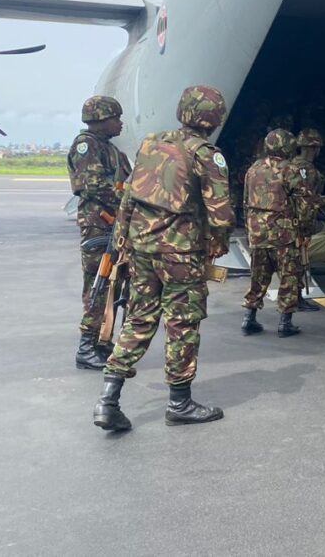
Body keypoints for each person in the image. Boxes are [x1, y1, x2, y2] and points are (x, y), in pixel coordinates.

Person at [93, 85, 235, 431]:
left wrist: (125, 238)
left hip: (142, 249)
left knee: (139, 320)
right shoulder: (207, 154)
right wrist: (217, 244)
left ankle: (107, 400)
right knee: (182, 324)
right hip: (181, 254)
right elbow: (220, 214)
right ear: (213, 117)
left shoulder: (152, 144)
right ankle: (180, 403)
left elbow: (129, 196)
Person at [67, 95, 131, 370]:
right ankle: (86, 347)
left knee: (113, 286)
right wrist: (126, 203)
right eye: (115, 117)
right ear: (101, 120)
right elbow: (93, 186)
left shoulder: (113, 151)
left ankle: (103, 343)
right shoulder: (86, 146)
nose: (120, 123)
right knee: (97, 284)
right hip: (98, 224)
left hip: (114, 226)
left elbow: (128, 181)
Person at [239, 128, 313, 338]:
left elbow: (245, 202)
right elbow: (304, 203)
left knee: (258, 276)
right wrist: (306, 230)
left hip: (257, 232)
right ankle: (285, 322)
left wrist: (249, 229)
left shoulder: (253, 169)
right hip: (283, 233)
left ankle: (249, 318)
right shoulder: (290, 170)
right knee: (288, 276)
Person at [293, 127, 325, 312]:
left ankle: (296, 298)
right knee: (300, 261)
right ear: (315, 148)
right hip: (301, 221)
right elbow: (308, 200)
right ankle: (297, 299)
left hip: (288, 220)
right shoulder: (309, 170)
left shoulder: (291, 165)